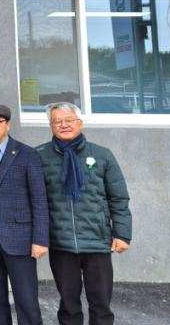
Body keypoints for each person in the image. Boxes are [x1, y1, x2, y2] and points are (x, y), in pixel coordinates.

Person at [38, 102, 131, 325]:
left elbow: (118, 197)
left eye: (69, 120)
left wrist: (122, 234)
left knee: (101, 303)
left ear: (80, 123)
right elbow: (35, 201)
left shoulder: (102, 155)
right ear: (51, 126)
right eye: (57, 121)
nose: (63, 125)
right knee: (68, 304)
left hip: (97, 240)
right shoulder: (39, 156)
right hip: (61, 243)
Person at [0, 103, 49, 325]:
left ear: (8, 125)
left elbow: (39, 199)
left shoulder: (27, 154)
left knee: (26, 298)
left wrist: (40, 239)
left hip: (20, 237)